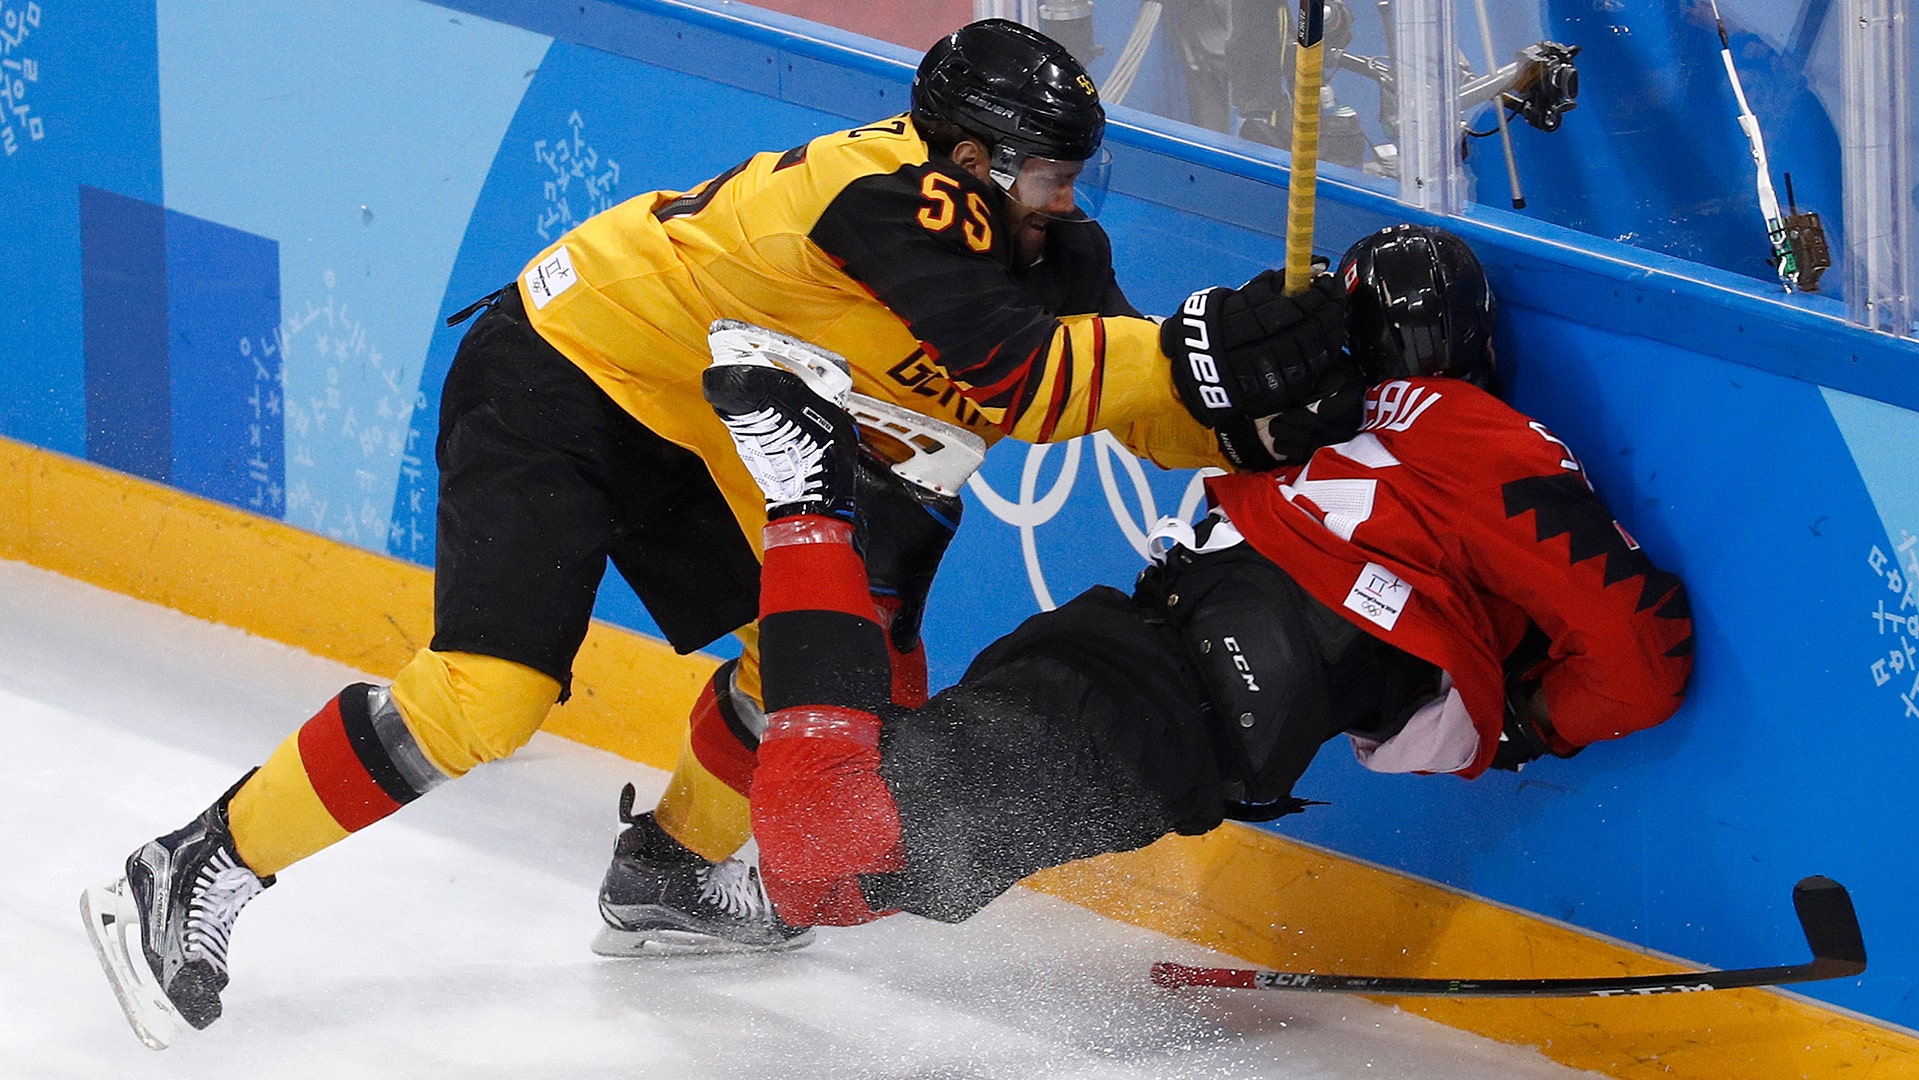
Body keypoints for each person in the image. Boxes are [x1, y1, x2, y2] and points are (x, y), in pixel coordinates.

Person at [80, 18, 1352, 1047]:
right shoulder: (883, 201)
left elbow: (1133, 404)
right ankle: (197, 864)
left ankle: (675, 872)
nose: (1072, 202)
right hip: (568, 376)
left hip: (705, 417)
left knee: (819, 642)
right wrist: (1208, 356)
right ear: (970, 159)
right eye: (1053, 174)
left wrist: (1259, 421)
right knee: (490, 697)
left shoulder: (1043, 242)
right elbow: (1025, 376)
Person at [700, 223, 1695, 931]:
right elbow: (1643, 654)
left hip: (1119, 653)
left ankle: (884, 575)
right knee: (832, 854)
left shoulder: (1302, 419)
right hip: (1167, 714)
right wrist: (1534, 720)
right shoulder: (1479, 436)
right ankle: (816, 502)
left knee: (844, 858)